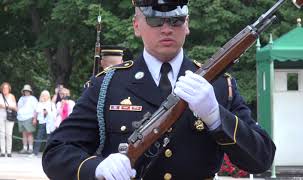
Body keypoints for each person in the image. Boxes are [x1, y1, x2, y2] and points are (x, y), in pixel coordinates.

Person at [42, 1, 276, 180]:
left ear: (187, 25)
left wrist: (216, 117)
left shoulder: (217, 85)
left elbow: (262, 157)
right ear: (136, 25)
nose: (166, 29)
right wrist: (97, 167)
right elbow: (56, 152)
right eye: (155, 21)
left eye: (176, 20)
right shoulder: (108, 84)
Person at [32, 90, 56, 156]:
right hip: (41, 122)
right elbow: (36, 112)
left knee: (49, 138)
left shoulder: (51, 104)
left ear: (48, 96)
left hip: (49, 123)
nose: (44, 97)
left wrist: (48, 112)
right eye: (43, 95)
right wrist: (34, 119)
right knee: (39, 137)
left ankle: (48, 153)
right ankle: (35, 153)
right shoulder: (39, 104)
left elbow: (55, 114)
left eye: (45, 95)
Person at [17, 84, 38, 154]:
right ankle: (24, 148)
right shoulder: (21, 98)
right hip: (21, 118)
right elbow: (18, 107)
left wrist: (35, 118)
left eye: (28, 91)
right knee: (23, 134)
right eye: (25, 91)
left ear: (30, 91)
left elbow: (36, 109)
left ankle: (31, 148)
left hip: (29, 117)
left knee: (29, 133)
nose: (26, 92)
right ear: (23, 91)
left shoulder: (33, 98)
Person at [0, 82, 17, 157]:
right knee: (1, 134)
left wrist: (6, 106)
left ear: (9, 89)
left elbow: (15, 108)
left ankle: (9, 151)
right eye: (4, 88)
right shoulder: (0, 96)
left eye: (6, 88)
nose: (5, 89)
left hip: (10, 117)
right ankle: (3, 151)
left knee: (9, 134)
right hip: (1, 116)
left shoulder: (12, 96)